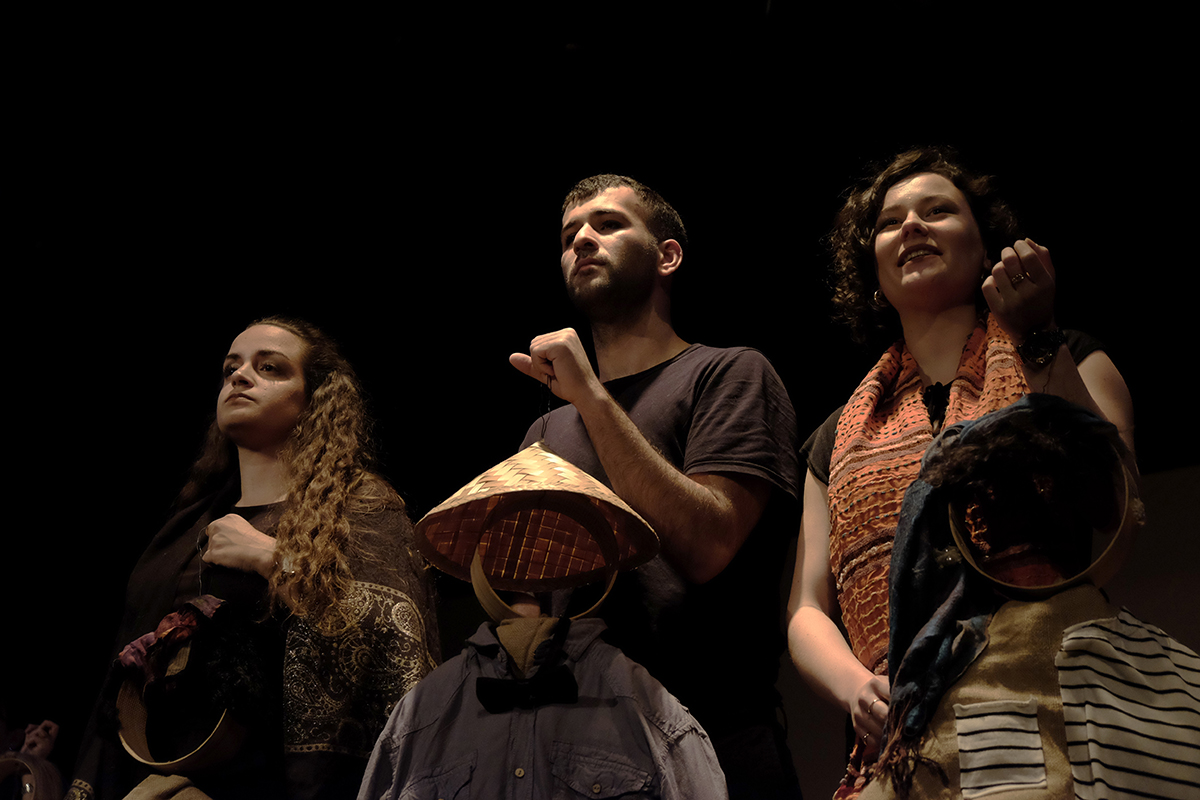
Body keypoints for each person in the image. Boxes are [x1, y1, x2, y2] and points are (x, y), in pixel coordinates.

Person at [785, 147, 1135, 798]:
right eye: (890, 222)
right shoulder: (836, 436)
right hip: (902, 738)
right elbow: (807, 607)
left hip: (1053, 705)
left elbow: (1117, 509)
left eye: (937, 211)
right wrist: (856, 687)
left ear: (985, 248)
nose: (912, 226)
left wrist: (1039, 339)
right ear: (873, 271)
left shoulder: (1067, 357)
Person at [509, 174, 803, 799]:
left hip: (716, 739)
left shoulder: (729, 373)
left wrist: (590, 397)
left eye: (608, 224)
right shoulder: (544, 431)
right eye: (569, 234)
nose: (582, 240)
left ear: (667, 256)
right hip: (575, 756)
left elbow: (707, 544)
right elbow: (531, 608)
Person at [68, 317, 439, 800]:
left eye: (269, 368)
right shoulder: (186, 528)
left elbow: (396, 645)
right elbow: (124, 674)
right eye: (231, 368)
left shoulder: (360, 508)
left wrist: (274, 560)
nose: (240, 376)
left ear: (314, 399)